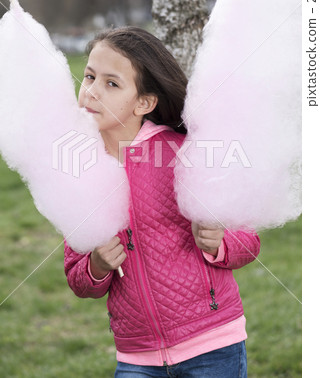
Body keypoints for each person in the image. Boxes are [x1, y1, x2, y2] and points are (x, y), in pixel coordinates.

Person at [64, 26, 260, 378]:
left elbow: (249, 239)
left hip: (212, 345)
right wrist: (96, 265)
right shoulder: (80, 167)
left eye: (111, 84)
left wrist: (220, 243)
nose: (91, 91)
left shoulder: (183, 152)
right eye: (89, 76)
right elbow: (77, 278)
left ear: (144, 102)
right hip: (136, 356)